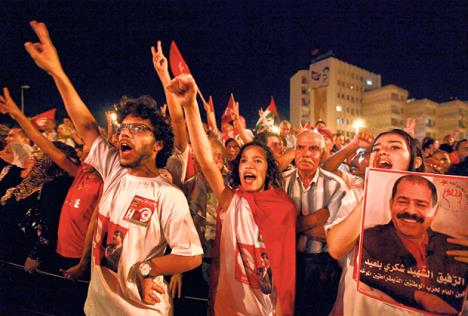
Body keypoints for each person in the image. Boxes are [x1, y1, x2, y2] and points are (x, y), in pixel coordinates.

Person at [24, 20, 202, 315]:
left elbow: (192, 254)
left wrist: (147, 268)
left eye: (138, 128)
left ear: (158, 144)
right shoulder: (115, 171)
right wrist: (56, 69)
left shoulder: (168, 195)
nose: (124, 133)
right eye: (124, 127)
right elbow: (85, 123)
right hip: (95, 308)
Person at [170, 74, 296, 316]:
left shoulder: (284, 207)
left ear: (268, 170)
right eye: (244, 161)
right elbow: (206, 162)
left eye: (257, 160)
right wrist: (190, 106)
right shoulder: (231, 200)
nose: (249, 165)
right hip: (229, 308)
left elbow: (284, 268)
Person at [360, 175, 465, 314]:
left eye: (421, 204)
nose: (410, 211)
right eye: (402, 201)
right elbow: (366, 270)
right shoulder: (368, 239)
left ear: (435, 211)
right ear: (391, 204)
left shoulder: (454, 248)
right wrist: (419, 296)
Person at [282, 129, 347, 315]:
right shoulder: (281, 182)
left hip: (322, 267)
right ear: (294, 151)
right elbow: (273, 229)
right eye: (300, 147)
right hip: (287, 261)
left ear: (323, 154)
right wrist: (315, 219)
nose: (306, 153)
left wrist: (293, 225)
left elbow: (334, 237)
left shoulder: (335, 186)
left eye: (313, 148)